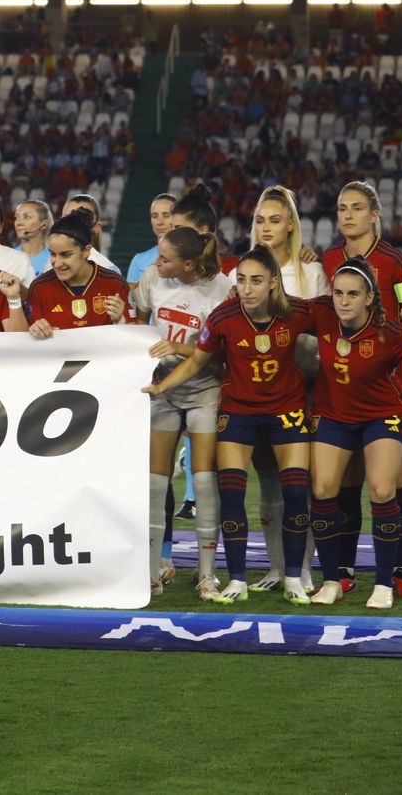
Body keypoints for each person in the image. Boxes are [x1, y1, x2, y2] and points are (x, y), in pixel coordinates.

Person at [145, 246, 314, 605]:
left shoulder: (299, 312)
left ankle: (295, 577)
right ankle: (236, 579)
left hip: (286, 412)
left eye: (256, 281)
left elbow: (340, 322)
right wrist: (161, 386)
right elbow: (197, 361)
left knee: (297, 492)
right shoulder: (223, 316)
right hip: (239, 413)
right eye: (241, 280)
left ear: (272, 283)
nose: (247, 288)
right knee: (232, 492)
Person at [307, 259, 402, 609]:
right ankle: (330, 580)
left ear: (369, 297)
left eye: (353, 294)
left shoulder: (389, 330)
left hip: (381, 417)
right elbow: (278, 305)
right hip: (333, 416)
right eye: (338, 293)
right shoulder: (320, 313)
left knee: (383, 489)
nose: (343, 301)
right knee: (323, 487)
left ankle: (384, 584)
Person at [322, 180, 402, 598]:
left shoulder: (397, 264)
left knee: (396, 477)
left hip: (392, 383)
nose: (347, 215)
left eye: (356, 208)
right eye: (341, 208)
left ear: (374, 215)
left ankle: (399, 568)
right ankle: (344, 567)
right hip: (343, 386)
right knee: (347, 478)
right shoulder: (328, 259)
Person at [133, 225, 235, 597]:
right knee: (155, 483)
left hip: (204, 390)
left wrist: (180, 351)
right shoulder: (151, 278)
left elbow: (223, 351)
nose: (156, 263)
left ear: (188, 263)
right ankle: (150, 573)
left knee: (205, 483)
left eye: (165, 259)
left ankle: (206, 573)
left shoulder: (222, 289)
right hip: (161, 392)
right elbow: (138, 321)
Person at [245, 184, 327, 589]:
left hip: (302, 390)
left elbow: (323, 334)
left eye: (275, 220)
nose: (266, 228)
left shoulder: (310, 272)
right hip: (255, 391)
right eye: (260, 220)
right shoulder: (239, 271)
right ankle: (276, 568)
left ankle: (303, 569)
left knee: (301, 483)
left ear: (291, 224)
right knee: (268, 480)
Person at [26, 213, 132, 336]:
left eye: (66, 254)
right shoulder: (39, 288)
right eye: (53, 254)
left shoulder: (115, 284)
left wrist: (120, 320)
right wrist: (34, 330)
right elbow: (26, 338)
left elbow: (133, 334)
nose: (57, 263)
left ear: (86, 251)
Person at [126, 193, 177, 286]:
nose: (159, 222)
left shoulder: (188, 258)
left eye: (166, 215)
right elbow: (131, 299)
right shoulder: (138, 261)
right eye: (154, 216)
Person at [61, 194, 120, 273]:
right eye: (66, 219)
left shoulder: (108, 270)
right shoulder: (51, 264)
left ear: (96, 227)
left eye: (81, 219)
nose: (73, 225)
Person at [12, 199, 54, 277]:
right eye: (17, 217)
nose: (18, 223)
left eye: (27, 217)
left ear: (44, 225)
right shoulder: (9, 257)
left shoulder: (54, 259)